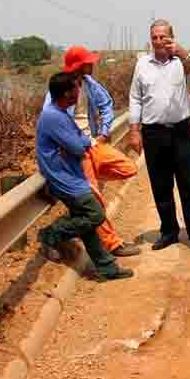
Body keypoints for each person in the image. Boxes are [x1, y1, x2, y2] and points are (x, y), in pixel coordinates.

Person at [44, 45, 141, 257]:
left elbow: (106, 103)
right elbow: (50, 118)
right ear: (79, 65)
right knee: (95, 200)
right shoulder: (60, 87)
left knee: (129, 168)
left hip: (93, 145)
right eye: (89, 62)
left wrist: (105, 131)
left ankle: (76, 217)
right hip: (75, 152)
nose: (93, 64)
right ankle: (113, 244)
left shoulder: (89, 84)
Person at [36, 72, 133, 281]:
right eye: (75, 89)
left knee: (87, 225)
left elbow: (80, 138)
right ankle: (51, 234)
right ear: (65, 93)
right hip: (65, 180)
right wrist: (83, 143)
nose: (78, 93)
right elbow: (77, 146)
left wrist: (82, 142)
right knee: (95, 215)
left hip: (73, 175)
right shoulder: (53, 117)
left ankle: (107, 269)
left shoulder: (61, 113)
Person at [128, 20, 190, 254]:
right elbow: (135, 97)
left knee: (189, 185)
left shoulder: (183, 61)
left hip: (181, 131)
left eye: (163, 36)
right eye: (154, 37)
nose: (158, 41)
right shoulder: (142, 64)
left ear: (172, 37)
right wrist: (134, 130)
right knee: (161, 186)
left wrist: (185, 56)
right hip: (154, 133)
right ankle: (169, 231)